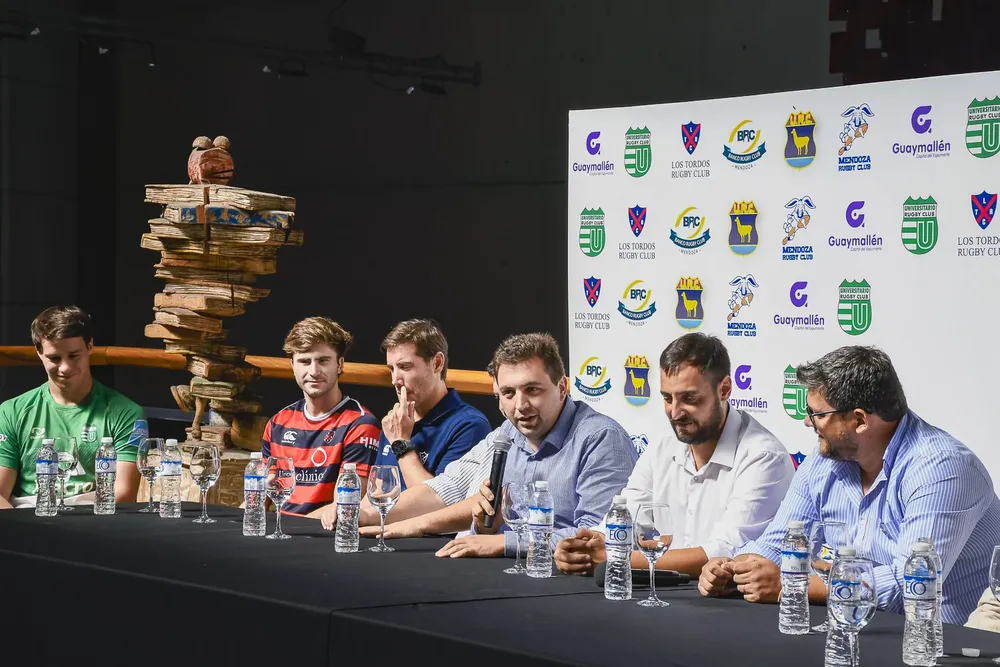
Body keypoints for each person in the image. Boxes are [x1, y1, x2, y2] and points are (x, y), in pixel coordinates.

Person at [697, 345, 1000, 624]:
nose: (807, 423)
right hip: (856, 627)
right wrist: (733, 569)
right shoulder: (825, 458)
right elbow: (779, 542)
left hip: (944, 641)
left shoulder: (942, 468)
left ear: (859, 420)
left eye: (816, 414)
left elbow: (908, 585)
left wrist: (794, 584)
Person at [357, 332, 639, 559]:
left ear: (562, 387)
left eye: (533, 390)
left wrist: (504, 542)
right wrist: (482, 525)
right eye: (508, 393)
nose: (520, 405)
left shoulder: (601, 437)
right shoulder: (508, 432)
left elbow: (595, 540)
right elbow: (449, 486)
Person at [554, 333, 794, 578]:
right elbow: (629, 517)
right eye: (667, 398)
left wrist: (616, 557)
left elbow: (727, 552)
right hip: (669, 593)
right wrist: (587, 546)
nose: (675, 412)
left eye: (689, 398)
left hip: (735, 605)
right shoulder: (663, 445)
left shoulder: (763, 456)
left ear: (724, 389)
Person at [0, 306, 145, 508]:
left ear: (90, 346)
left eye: (74, 355)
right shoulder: (11, 411)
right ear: (38, 352)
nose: (65, 367)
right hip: (26, 521)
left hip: (95, 523)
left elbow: (124, 495)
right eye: (54, 358)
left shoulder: (127, 412)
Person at [261, 317, 381, 517]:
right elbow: (258, 496)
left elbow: (344, 507)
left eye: (323, 361)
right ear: (292, 365)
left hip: (324, 537)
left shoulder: (361, 424)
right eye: (304, 361)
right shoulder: (277, 422)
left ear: (340, 364)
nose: (314, 371)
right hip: (279, 534)